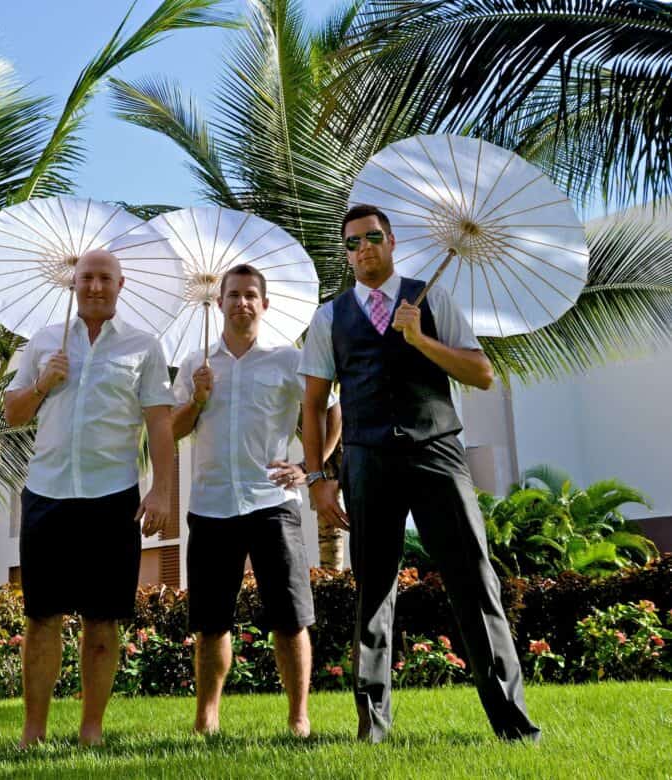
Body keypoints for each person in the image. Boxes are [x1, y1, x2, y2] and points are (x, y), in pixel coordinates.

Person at [299, 204, 540, 743]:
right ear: (346, 253)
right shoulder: (328, 317)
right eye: (353, 242)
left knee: (474, 582)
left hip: (437, 453)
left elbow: (480, 373)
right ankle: (374, 726)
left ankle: (513, 723)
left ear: (392, 242)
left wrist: (422, 341)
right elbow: (314, 404)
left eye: (373, 237)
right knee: (374, 590)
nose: (363, 248)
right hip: (367, 458)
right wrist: (319, 477)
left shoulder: (434, 299)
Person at [3, 248, 176, 747]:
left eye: (105, 278)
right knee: (41, 618)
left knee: (102, 621)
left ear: (121, 285)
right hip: (47, 493)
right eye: (87, 278)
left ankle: (91, 730)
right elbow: (13, 413)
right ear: (72, 284)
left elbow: (159, 424)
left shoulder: (145, 346)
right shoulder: (43, 341)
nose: (95, 286)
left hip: (112, 497)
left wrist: (161, 490)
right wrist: (42, 382)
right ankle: (33, 732)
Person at [171, 264, 341, 737]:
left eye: (250, 295)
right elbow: (171, 429)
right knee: (211, 623)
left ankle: (298, 717)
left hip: (273, 501)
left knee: (290, 618)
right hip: (211, 504)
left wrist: (311, 470)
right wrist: (197, 400)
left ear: (264, 304)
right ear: (219, 302)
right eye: (233, 295)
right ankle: (207, 717)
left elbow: (330, 413)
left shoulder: (290, 359)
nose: (241, 303)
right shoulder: (195, 364)